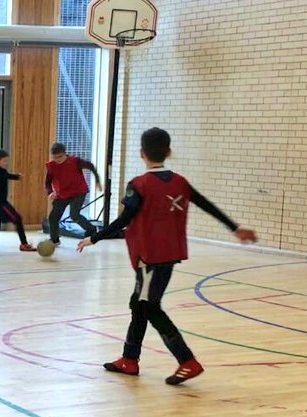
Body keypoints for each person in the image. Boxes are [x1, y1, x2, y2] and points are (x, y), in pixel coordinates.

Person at [77, 127, 257, 385]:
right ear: (169, 152)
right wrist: (234, 227)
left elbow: (125, 218)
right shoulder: (180, 182)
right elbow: (206, 204)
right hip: (169, 254)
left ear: (141, 153)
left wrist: (94, 237)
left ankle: (187, 361)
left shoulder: (138, 185)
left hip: (149, 257)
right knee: (139, 304)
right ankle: (129, 359)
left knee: (150, 307)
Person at [45, 142, 102, 244]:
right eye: (54, 157)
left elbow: (91, 166)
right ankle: (54, 240)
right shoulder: (51, 166)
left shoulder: (75, 161)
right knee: (53, 217)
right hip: (62, 194)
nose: (57, 160)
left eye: (60, 157)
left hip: (78, 192)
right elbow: (48, 182)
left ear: (65, 154)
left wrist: (97, 180)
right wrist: (50, 192)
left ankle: (92, 229)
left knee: (74, 215)